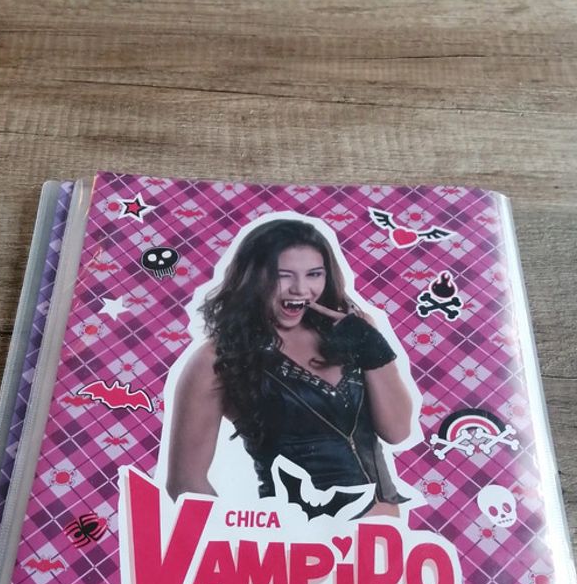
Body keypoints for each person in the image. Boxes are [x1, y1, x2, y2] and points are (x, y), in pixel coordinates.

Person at [166, 218, 414, 517]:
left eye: (314, 274)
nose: (300, 289)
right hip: (298, 536)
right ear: (252, 277)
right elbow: (185, 483)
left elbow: (398, 431)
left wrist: (370, 345)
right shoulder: (216, 358)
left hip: (384, 535)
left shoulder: (353, 330)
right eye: (282, 276)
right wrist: (238, 534)